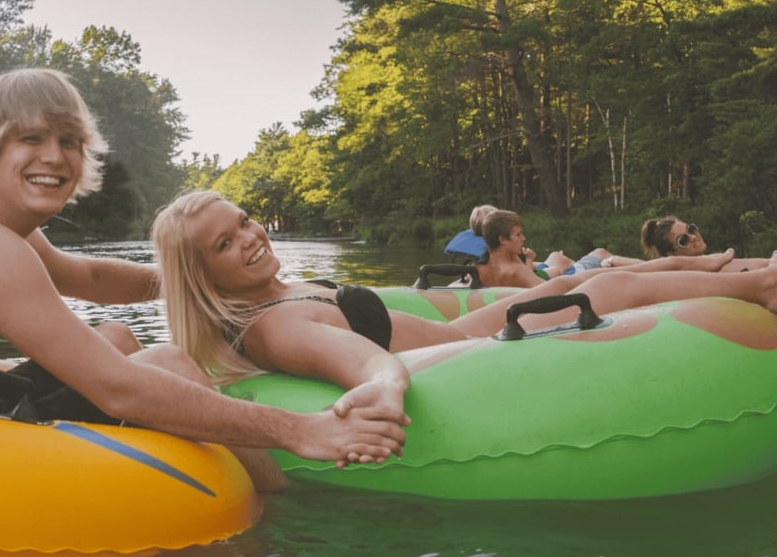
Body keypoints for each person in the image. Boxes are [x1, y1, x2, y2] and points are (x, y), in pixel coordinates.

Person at [0, 69, 407, 489]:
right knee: (168, 365)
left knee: (115, 334)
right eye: (31, 139)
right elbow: (119, 389)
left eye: (69, 141)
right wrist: (297, 430)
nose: (55, 157)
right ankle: (285, 521)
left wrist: (196, 278)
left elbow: (87, 275)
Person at [150, 191, 777, 423]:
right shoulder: (277, 325)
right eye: (225, 244)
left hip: (449, 327)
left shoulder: (278, 292)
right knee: (600, 288)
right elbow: (359, 364)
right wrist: (385, 384)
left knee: (602, 277)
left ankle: (748, 270)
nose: (252, 239)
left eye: (245, 222)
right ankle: (759, 286)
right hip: (455, 355)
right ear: (202, 273)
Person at [466, 205, 644, 288]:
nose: (524, 238)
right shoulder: (516, 271)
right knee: (603, 257)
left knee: (599, 261)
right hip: (571, 282)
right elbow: (550, 290)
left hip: (555, 276)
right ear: (502, 239)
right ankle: (658, 267)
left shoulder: (480, 267)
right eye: (518, 235)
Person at [641, 215, 771, 272]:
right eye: (683, 240)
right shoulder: (693, 278)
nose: (693, 236)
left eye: (691, 229)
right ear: (671, 254)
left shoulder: (715, 260)